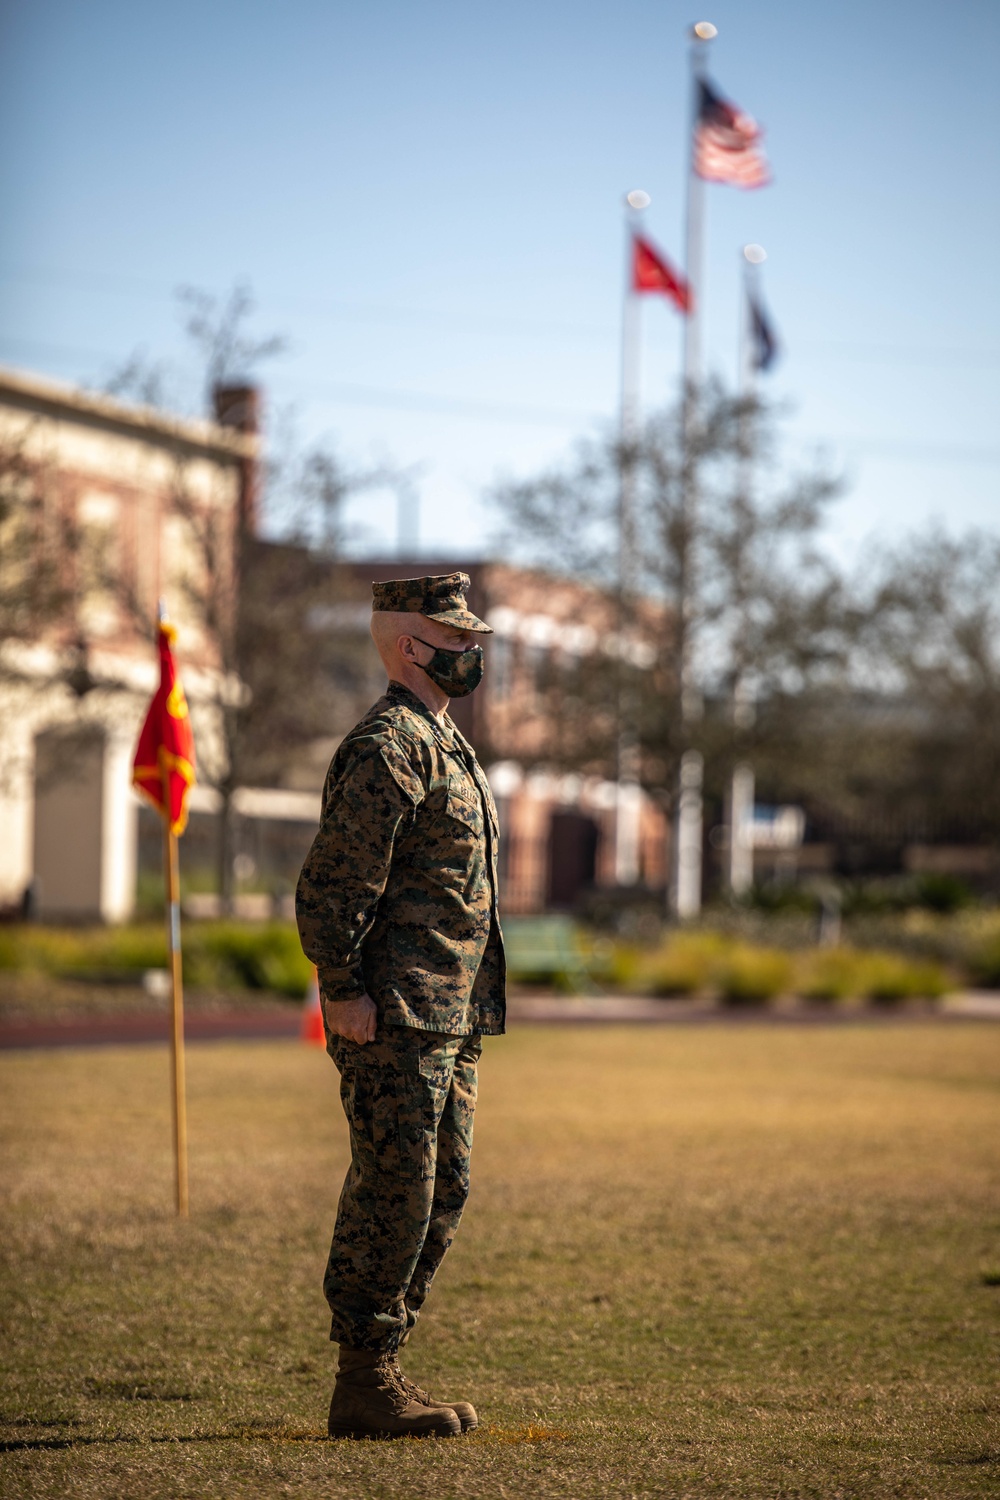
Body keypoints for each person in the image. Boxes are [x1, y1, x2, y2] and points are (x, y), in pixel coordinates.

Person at [296, 572, 505, 1441]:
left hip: (448, 1012)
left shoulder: (443, 743)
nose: (472, 653)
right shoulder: (390, 746)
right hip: (394, 1012)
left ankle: (384, 1363)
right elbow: (333, 887)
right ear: (406, 645)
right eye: (454, 640)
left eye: (471, 639)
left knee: (441, 1189)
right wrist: (341, 988)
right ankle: (364, 1377)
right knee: (398, 1186)